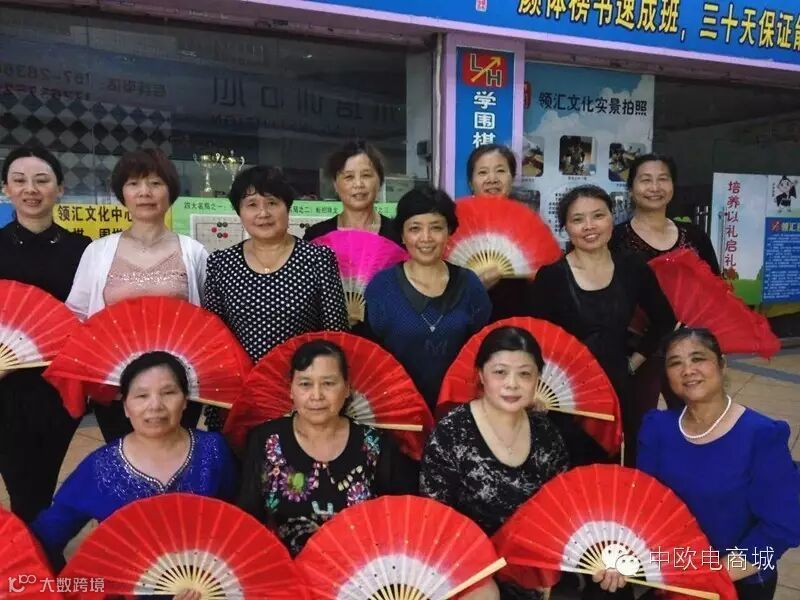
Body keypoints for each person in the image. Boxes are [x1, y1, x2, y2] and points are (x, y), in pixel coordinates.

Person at [30, 352, 237, 571]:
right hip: (126, 582)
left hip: (207, 577)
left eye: (168, 393)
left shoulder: (213, 449)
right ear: (126, 407)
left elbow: (235, 519)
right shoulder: (101, 466)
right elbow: (46, 536)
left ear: (185, 401)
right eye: (141, 396)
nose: (155, 405)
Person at [638, 328, 800, 600]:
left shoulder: (761, 436)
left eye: (698, 358)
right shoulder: (657, 428)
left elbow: (780, 529)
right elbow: (641, 503)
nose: (688, 370)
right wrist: (622, 557)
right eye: (675, 363)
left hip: (740, 579)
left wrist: (711, 575)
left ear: (722, 364)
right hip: (675, 571)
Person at [525, 184, 675, 466]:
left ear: (611, 219)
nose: (589, 226)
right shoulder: (551, 277)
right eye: (577, 219)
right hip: (563, 394)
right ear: (566, 228)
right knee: (566, 467)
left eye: (598, 215)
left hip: (616, 387)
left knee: (612, 466)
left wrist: (633, 363)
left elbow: (664, 320)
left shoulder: (633, 268)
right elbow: (536, 339)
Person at [66, 148, 207, 442]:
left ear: (170, 191)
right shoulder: (98, 251)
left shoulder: (193, 251)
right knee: (123, 459)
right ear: (123, 193)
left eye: (155, 183)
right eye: (134, 183)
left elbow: (208, 318)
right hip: (115, 384)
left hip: (178, 384)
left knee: (179, 456)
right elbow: (76, 315)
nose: (145, 192)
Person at [420, 326, 569, 600]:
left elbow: (560, 509)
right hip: (465, 571)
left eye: (524, 374)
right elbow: (435, 518)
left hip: (526, 566)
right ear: (481, 374)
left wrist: (546, 568)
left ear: (538, 378)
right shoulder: (452, 432)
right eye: (500, 372)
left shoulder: (547, 434)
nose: (512, 384)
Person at [237, 340, 417, 556]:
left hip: (357, 571)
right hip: (283, 569)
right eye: (305, 384)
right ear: (291, 389)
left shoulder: (375, 443)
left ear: (347, 388)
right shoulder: (265, 440)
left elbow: (399, 519)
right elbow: (247, 521)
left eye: (328, 383)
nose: (316, 395)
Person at [203, 166, 348, 431]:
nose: (263, 213)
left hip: (303, 394)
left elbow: (335, 334)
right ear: (239, 212)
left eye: (272, 202)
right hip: (240, 394)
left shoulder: (318, 259)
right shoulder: (221, 263)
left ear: (287, 207)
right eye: (252, 204)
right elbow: (213, 336)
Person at [0, 146, 91, 524]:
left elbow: (90, 317)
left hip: (59, 384)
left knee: (44, 480)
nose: (31, 189)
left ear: (60, 188)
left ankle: (37, 548)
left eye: (41, 180)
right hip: (4, 385)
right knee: (21, 485)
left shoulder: (83, 251)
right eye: (19, 181)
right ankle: (33, 551)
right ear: (6, 189)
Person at [610, 154, 720, 425]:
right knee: (636, 425)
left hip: (687, 347)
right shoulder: (615, 239)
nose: (655, 187)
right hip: (635, 349)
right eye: (645, 180)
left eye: (663, 179)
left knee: (695, 420)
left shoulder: (694, 236)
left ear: (672, 185)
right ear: (631, 188)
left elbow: (714, 289)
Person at [363, 185, 491, 410]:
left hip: (460, 410)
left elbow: (486, 351)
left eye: (436, 228)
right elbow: (370, 357)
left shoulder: (469, 284)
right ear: (402, 235)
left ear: (449, 231)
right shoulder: (382, 287)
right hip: (397, 410)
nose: (426, 238)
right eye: (415, 228)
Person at [466, 143, 531, 322]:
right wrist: (474, 286)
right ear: (471, 183)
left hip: (517, 320)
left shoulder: (528, 224)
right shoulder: (455, 224)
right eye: (483, 172)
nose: (492, 179)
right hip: (468, 321)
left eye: (500, 171)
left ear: (512, 178)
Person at [303, 140, 400, 244]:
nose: (358, 184)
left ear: (380, 181)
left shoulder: (398, 234)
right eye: (349, 177)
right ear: (335, 184)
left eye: (366, 175)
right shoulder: (316, 236)